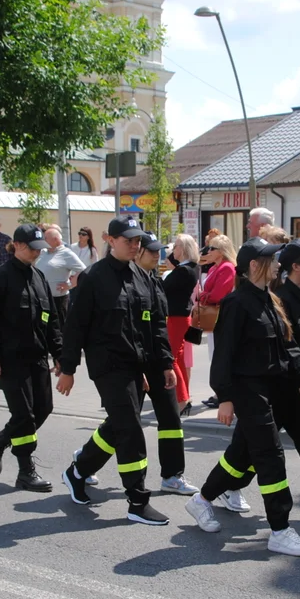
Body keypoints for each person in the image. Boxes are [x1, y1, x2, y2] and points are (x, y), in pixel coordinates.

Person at [183, 238, 300, 556]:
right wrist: (225, 398)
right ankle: (280, 529)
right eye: (271, 259)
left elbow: (288, 347)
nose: (277, 264)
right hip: (249, 393)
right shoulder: (236, 303)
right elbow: (224, 355)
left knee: (242, 455)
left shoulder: (269, 300)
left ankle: (201, 500)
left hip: (271, 390)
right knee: (271, 457)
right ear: (254, 266)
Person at [58, 215, 176, 526]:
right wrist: (67, 368)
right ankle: (137, 500)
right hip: (108, 367)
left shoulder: (141, 276)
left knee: (119, 425)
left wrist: (164, 364)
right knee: (130, 430)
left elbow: (154, 327)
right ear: (111, 240)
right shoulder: (93, 279)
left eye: (138, 240)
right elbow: (75, 327)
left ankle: (78, 469)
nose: (135, 245)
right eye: (129, 240)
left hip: (136, 366)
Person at [0, 224, 63, 492]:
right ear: (18, 245)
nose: (38, 254)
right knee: (24, 415)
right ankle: (26, 472)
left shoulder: (38, 278)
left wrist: (59, 354)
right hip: (10, 360)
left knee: (43, 409)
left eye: (40, 249)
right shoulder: (0, 278)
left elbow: (51, 321)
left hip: (37, 358)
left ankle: (0, 439)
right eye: (33, 249)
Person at [134, 233, 198, 495]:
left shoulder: (155, 281)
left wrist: (167, 364)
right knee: (122, 425)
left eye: (160, 251)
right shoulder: (125, 281)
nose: (158, 255)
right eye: (151, 251)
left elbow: (160, 326)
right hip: (134, 364)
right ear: (136, 252)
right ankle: (82, 465)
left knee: (171, 420)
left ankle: (172, 476)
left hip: (158, 363)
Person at [162, 234, 200, 415]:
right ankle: (184, 398)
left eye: (175, 246)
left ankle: (182, 399)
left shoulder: (183, 271)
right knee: (179, 357)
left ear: (183, 249)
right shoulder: (190, 267)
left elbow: (164, 287)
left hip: (176, 317)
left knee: (173, 358)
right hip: (181, 316)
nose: (172, 250)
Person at [198, 235, 237, 411]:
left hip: (221, 316)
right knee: (214, 354)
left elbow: (218, 295)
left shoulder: (227, 268)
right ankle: (219, 393)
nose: (209, 251)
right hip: (213, 316)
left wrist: (202, 296)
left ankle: (223, 394)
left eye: (212, 248)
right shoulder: (216, 267)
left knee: (219, 356)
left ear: (221, 251)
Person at [35, 225, 86, 326]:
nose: (43, 241)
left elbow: (84, 271)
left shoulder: (66, 254)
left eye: (46, 238)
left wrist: (70, 285)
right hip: (42, 299)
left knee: (58, 326)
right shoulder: (43, 253)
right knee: (44, 324)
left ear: (55, 240)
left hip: (58, 300)